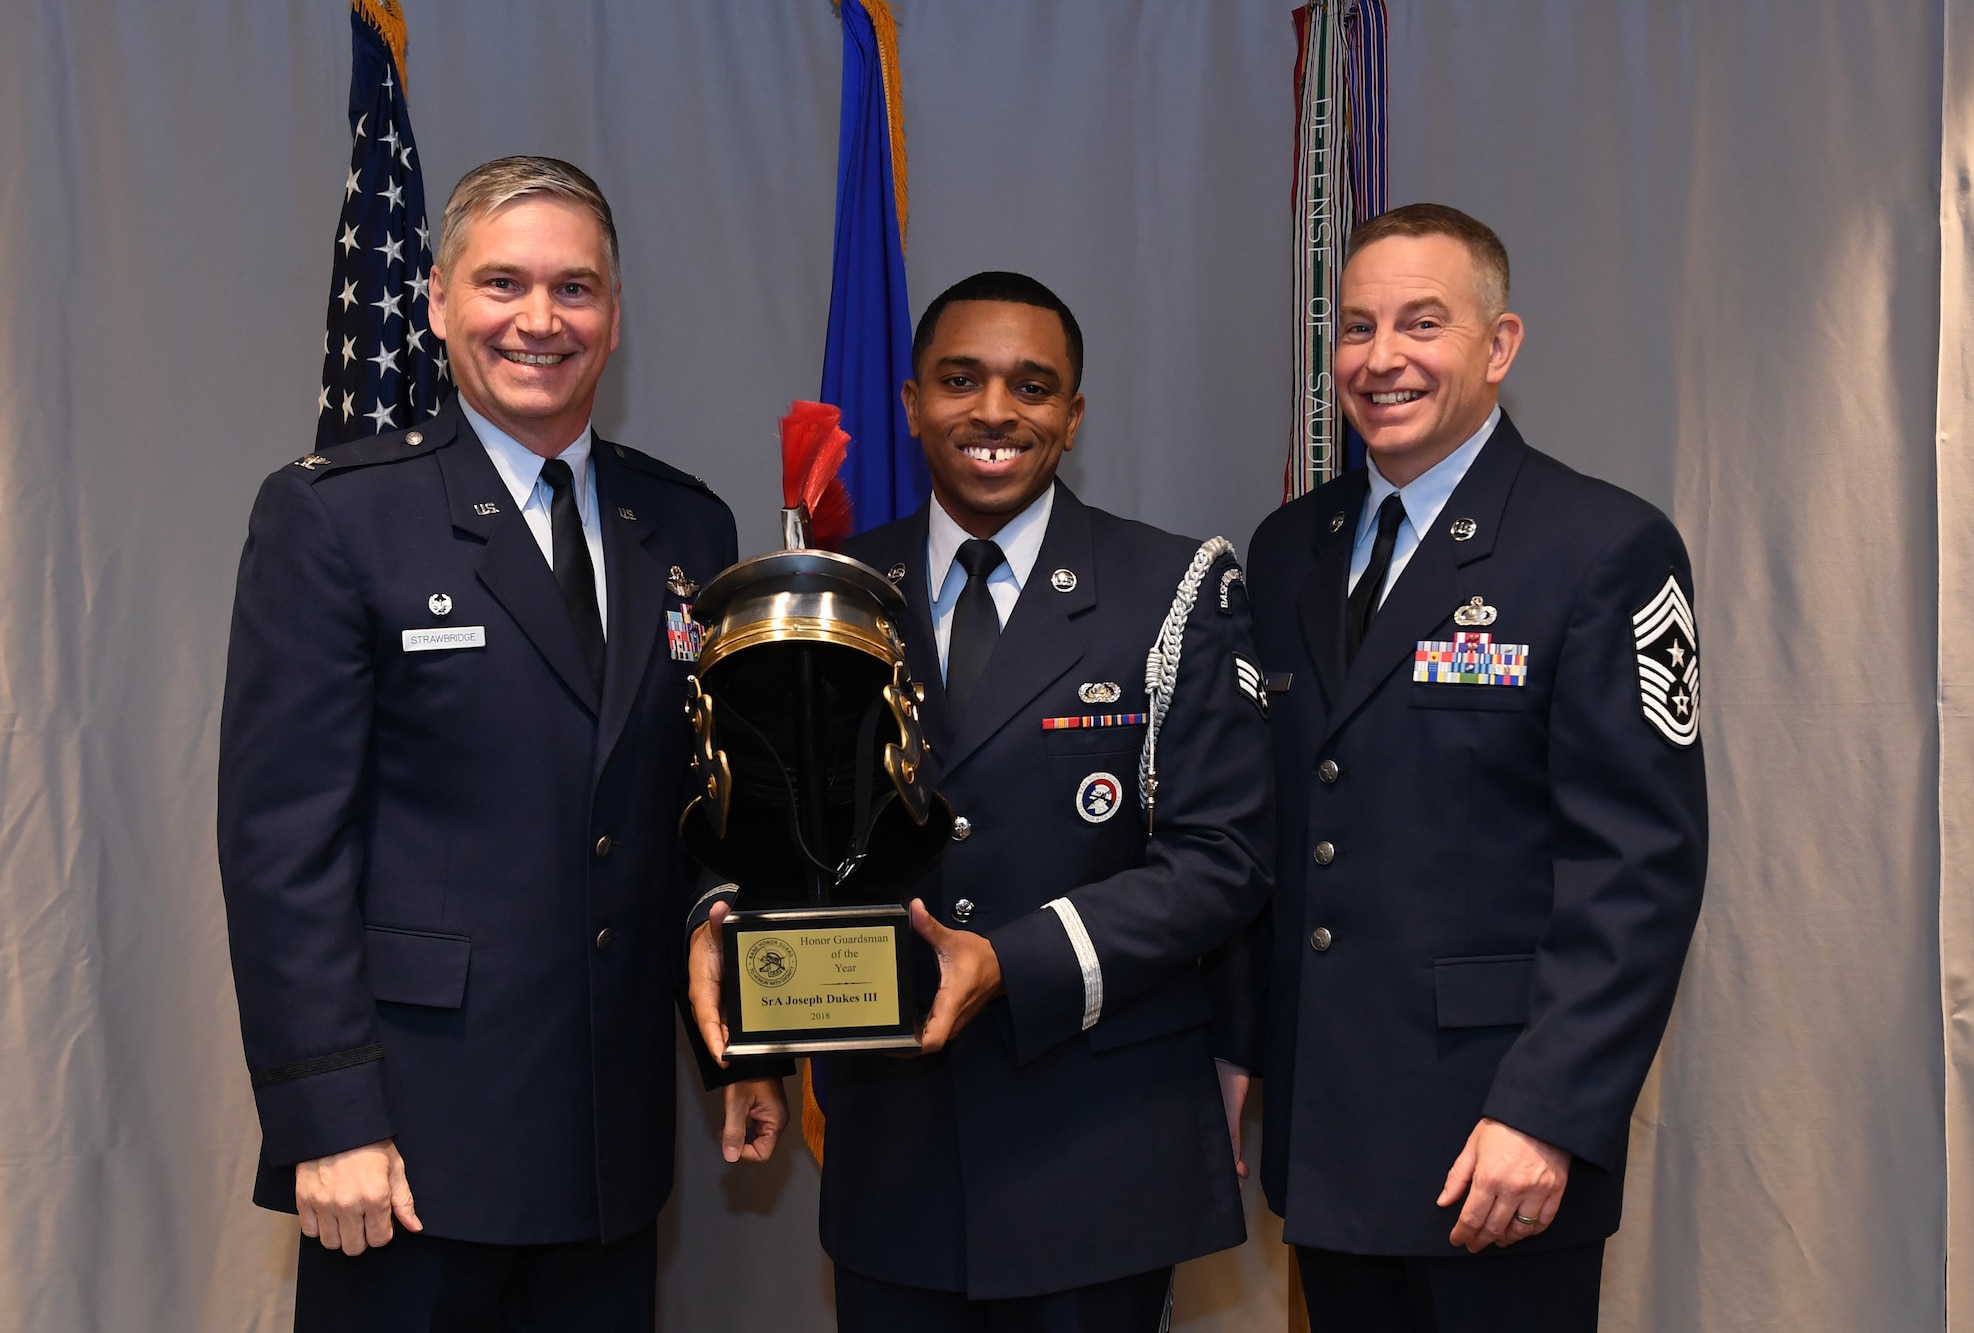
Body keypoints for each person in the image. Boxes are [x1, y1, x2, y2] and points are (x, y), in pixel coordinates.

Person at [217, 156, 785, 1332]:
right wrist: (329, 1117)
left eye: (574, 289)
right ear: (435, 302)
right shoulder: (336, 516)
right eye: (503, 284)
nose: (540, 320)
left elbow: (694, 818)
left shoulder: (684, 524)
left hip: (607, 1148)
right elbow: (283, 845)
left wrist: (747, 1038)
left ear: (615, 316)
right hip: (408, 1153)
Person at [690, 271, 1276, 1330]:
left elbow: (1220, 859)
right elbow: (763, 828)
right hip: (894, 1150)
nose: (995, 412)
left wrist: (1010, 960)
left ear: (1072, 415)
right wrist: (759, 1043)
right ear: (910, 402)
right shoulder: (826, 592)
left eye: (1031, 385)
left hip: (1096, 1143)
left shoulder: (1171, 584)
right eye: (961, 380)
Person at [1222, 203, 1708, 1331]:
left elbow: (1638, 868)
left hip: (1496, 1139)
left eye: (1420, 325)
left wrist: (1546, 1114)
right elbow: (1275, 832)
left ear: (1498, 346)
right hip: (1328, 1128)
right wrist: (1237, 1046)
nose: (1379, 358)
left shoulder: (1599, 547)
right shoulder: (1289, 546)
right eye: (1353, 328)